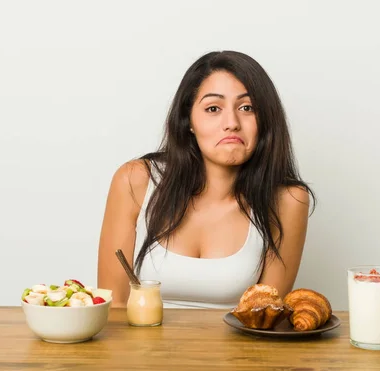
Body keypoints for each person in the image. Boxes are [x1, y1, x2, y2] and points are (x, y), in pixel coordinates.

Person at [97, 50, 314, 308]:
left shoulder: (287, 201)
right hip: (141, 348)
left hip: (239, 349)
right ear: (189, 120)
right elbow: (114, 307)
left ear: (265, 121)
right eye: (213, 108)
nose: (232, 123)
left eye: (247, 108)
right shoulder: (135, 181)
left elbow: (264, 319)